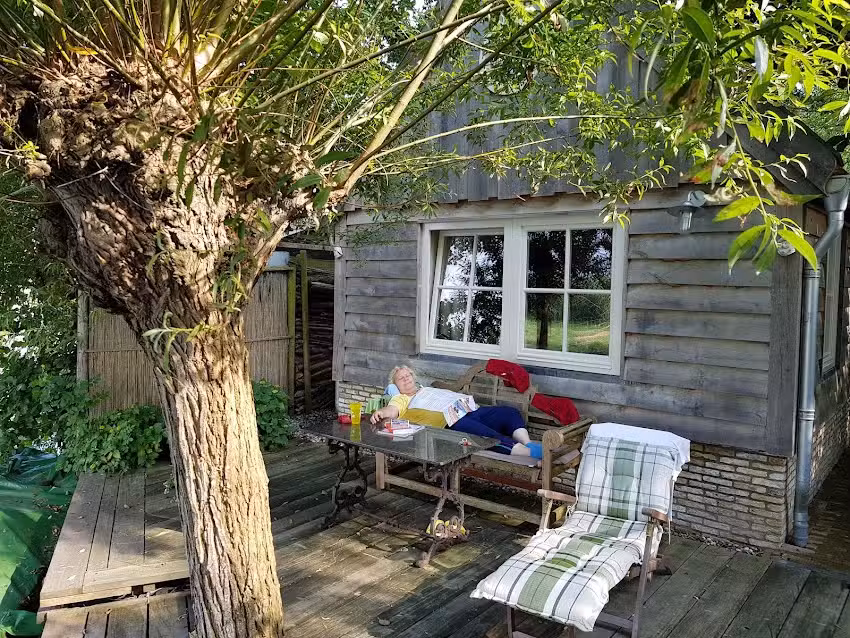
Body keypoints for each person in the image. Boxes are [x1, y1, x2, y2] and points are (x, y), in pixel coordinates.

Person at [370, 366, 543, 458]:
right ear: (395, 386)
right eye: (401, 378)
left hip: (469, 411)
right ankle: (530, 454)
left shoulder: (426, 389)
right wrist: (382, 413)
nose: (406, 378)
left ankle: (527, 443)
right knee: (487, 436)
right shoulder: (402, 398)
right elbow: (392, 409)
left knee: (509, 413)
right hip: (451, 421)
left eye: (408, 375)